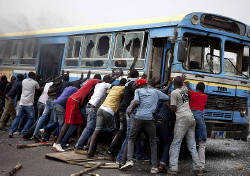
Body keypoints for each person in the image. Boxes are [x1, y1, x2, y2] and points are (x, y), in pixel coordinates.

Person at [120, 79, 169, 174]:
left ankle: (129, 160)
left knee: (131, 138)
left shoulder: (138, 91)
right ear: (146, 84)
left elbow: (136, 102)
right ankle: (154, 166)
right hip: (150, 118)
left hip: (138, 117)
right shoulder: (156, 91)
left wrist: (131, 110)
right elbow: (166, 98)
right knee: (153, 141)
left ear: (139, 86)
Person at [75, 71, 123, 151]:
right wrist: (117, 76)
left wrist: (114, 75)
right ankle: (79, 145)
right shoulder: (106, 85)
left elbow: (109, 80)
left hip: (89, 105)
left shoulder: (99, 84)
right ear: (107, 80)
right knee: (90, 128)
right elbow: (115, 86)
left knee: (92, 128)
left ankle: (88, 146)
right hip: (93, 107)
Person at [53, 74, 101, 152]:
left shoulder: (88, 85)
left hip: (76, 103)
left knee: (80, 122)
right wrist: (114, 77)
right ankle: (57, 143)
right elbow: (104, 81)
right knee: (67, 123)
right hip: (73, 101)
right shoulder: (93, 80)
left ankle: (78, 143)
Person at [168, 76, 203, 175]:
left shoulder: (174, 93)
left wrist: (168, 104)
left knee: (176, 144)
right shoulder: (184, 91)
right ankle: (198, 168)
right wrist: (182, 81)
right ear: (181, 83)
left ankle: (173, 168)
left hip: (182, 119)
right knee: (192, 145)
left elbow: (173, 108)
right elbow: (183, 86)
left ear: (174, 84)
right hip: (191, 118)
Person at [87, 78, 127, 157]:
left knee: (97, 130)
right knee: (115, 130)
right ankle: (111, 151)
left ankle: (89, 151)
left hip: (101, 109)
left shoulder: (114, 87)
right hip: (109, 111)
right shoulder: (123, 89)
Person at [108, 69, 139, 155]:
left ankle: (117, 148)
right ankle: (112, 148)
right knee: (123, 129)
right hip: (124, 108)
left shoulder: (128, 83)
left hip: (121, 107)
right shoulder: (133, 83)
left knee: (123, 129)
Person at [9, 72, 40, 137]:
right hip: (29, 103)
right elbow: (38, 88)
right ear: (34, 76)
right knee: (31, 118)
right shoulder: (35, 82)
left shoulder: (24, 81)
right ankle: (24, 132)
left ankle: (11, 132)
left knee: (18, 117)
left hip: (22, 102)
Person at [186, 81, 208, 170]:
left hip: (189, 117)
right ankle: (201, 166)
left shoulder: (191, 93)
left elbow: (189, 93)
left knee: (180, 141)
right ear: (204, 89)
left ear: (196, 88)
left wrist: (186, 85)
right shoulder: (205, 96)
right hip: (199, 119)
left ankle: (172, 165)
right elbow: (198, 94)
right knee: (202, 143)